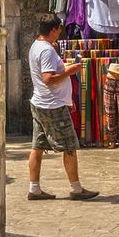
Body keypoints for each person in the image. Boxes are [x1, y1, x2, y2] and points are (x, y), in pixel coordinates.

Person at [27, 14, 98, 201]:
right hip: (52, 105)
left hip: (41, 102)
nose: (60, 33)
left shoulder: (36, 46)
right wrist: (70, 70)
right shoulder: (47, 51)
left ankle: (34, 188)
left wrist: (66, 96)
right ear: (53, 30)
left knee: (38, 146)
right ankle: (76, 189)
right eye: (59, 30)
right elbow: (48, 79)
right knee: (69, 147)